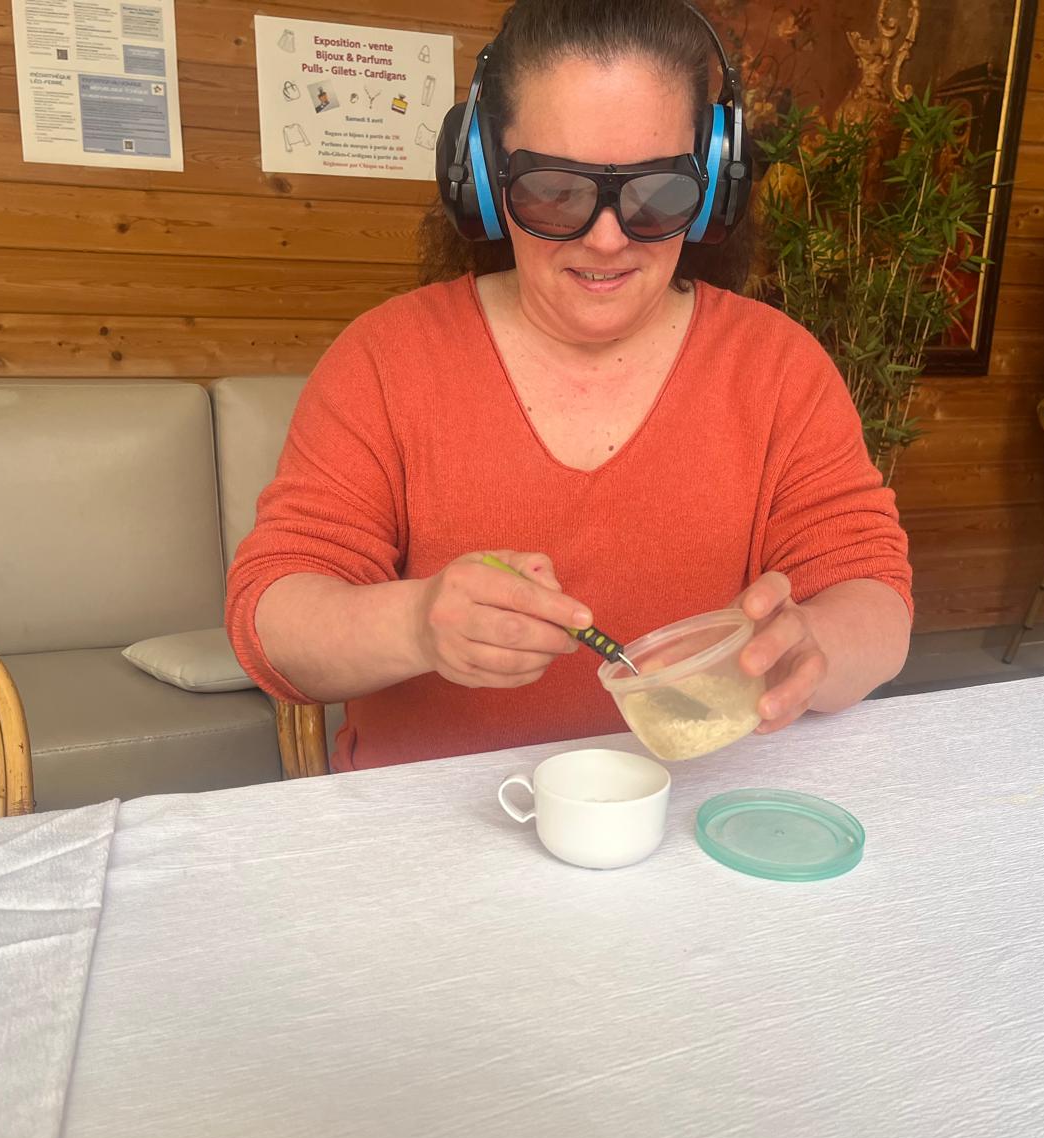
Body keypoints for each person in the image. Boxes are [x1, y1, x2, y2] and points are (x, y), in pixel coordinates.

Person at [227, 0, 912, 773]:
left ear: (713, 190)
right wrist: (415, 624)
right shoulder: (386, 360)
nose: (607, 238)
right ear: (485, 179)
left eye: (658, 193)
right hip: (428, 829)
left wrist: (814, 643)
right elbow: (271, 620)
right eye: (554, 190)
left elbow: (872, 597)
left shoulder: (778, 368)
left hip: (686, 815)